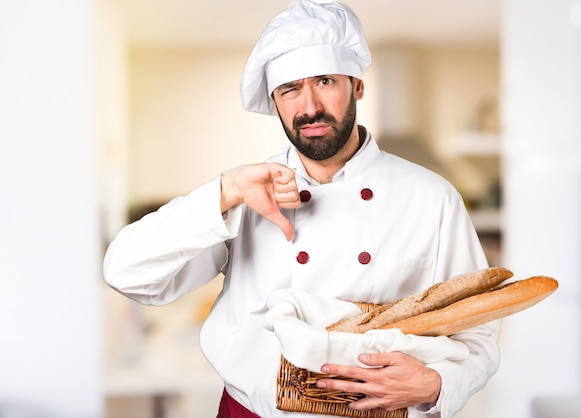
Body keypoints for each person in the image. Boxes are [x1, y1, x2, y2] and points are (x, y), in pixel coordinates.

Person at [103, 0, 500, 417]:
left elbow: (478, 334)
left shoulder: (431, 198)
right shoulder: (246, 194)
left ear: (357, 86)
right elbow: (127, 273)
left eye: (325, 81)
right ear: (274, 102)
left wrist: (438, 382)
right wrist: (226, 189)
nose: (308, 106)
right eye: (290, 89)